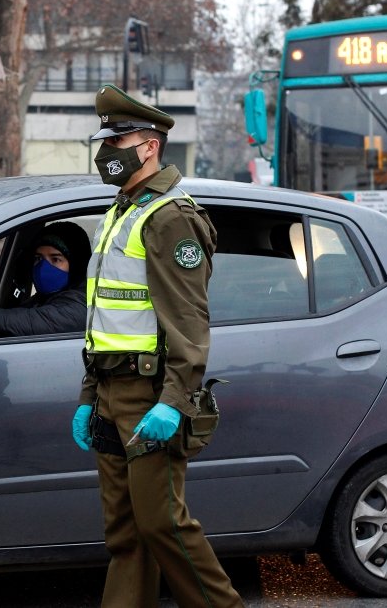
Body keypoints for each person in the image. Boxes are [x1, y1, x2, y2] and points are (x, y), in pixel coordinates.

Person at [71, 84, 243, 608]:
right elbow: (103, 316)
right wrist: (87, 395)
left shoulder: (171, 217)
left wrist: (173, 402)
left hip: (150, 397)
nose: (107, 153)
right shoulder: (121, 211)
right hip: (110, 391)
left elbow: (188, 325)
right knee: (126, 534)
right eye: (104, 141)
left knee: (163, 524)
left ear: (148, 146)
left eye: (117, 140)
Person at [0, 221, 91, 337]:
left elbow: (13, 322)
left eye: (55, 259)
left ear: (77, 265)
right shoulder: (44, 298)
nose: (43, 267)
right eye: (38, 258)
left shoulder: (80, 305)